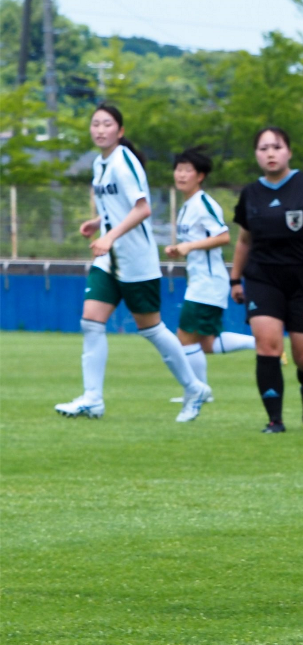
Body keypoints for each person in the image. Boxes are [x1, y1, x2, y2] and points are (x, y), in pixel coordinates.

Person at [55, 104, 211, 422]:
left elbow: (143, 208)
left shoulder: (123, 161)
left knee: (151, 329)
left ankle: (194, 387)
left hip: (136, 261)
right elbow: (117, 206)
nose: (100, 129)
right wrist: (98, 223)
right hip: (110, 260)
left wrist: (110, 236)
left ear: (120, 131)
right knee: (91, 321)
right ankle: (92, 399)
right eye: (95, 124)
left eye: (107, 124)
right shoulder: (100, 163)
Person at [231, 127, 303, 433]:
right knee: (267, 345)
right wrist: (235, 279)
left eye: (276, 147)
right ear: (256, 155)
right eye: (263, 148)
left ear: (288, 151)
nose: (270, 153)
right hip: (262, 278)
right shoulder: (250, 193)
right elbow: (244, 241)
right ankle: (274, 420)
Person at [164, 147, 254, 398]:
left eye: (187, 170)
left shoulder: (204, 203)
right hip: (199, 281)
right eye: (178, 169)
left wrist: (189, 246)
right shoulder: (186, 207)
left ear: (200, 175)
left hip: (208, 282)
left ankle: (198, 392)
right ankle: (259, 343)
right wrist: (179, 249)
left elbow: (224, 236)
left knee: (184, 338)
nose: (181, 175)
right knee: (205, 343)